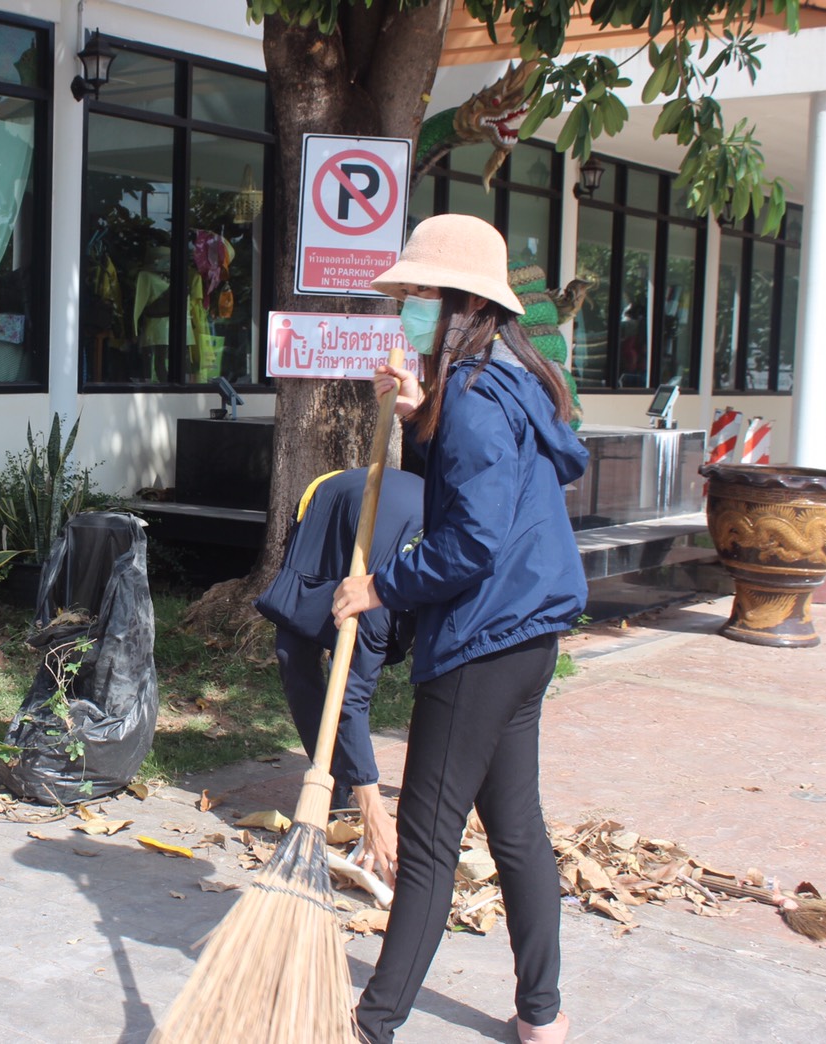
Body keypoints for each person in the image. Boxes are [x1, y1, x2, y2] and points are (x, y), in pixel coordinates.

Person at [333, 214, 587, 1044]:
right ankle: (541, 1018)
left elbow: (469, 544)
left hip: (483, 639)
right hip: (527, 639)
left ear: (459, 305)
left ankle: (372, 1025)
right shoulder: (504, 378)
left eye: (417, 296)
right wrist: (412, 412)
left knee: (430, 842)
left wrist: (377, 588)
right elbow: (475, 490)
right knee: (517, 831)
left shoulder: (478, 398)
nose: (407, 310)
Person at [253, 466, 423, 883]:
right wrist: (375, 813)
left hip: (397, 523)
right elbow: (350, 700)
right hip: (326, 503)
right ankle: (334, 780)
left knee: (352, 674)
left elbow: (350, 694)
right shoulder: (382, 610)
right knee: (292, 652)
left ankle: (353, 783)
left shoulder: (383, 606)